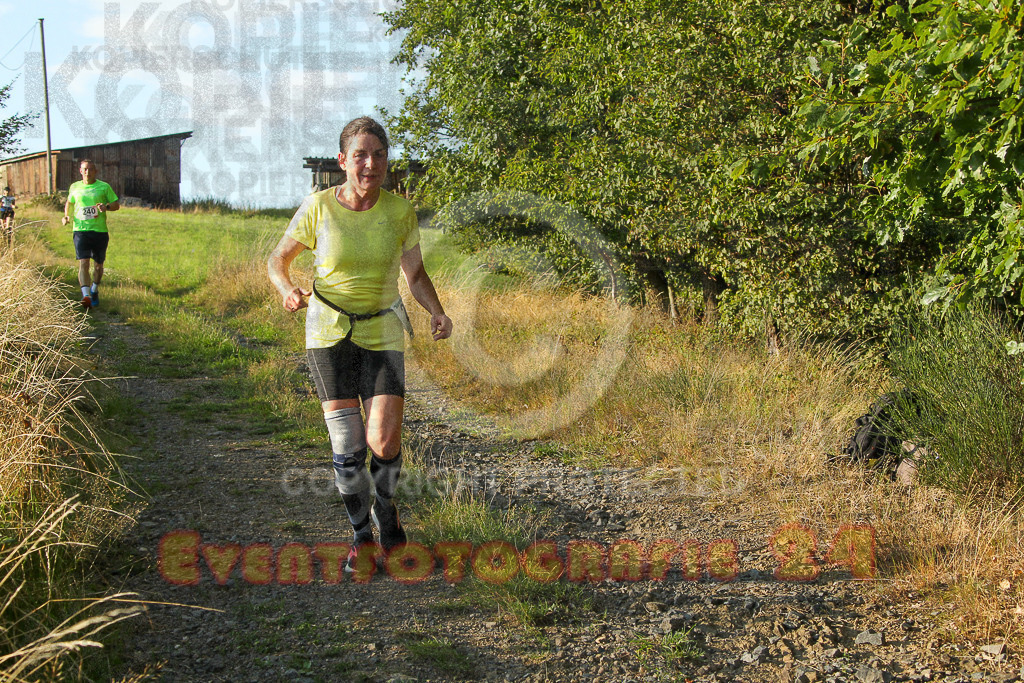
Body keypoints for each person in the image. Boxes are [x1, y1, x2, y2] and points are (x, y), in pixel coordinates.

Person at [268, 116, 452, 572]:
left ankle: (386, 510)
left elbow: (414, 273)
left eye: (379, 155)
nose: (371, 164)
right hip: (328, 332)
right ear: (342, 161)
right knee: (348, 445)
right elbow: (277, 259)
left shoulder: (399, 212)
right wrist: (287, 288)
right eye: (360, 156)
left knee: (384, 438)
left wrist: (436, 310)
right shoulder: (317, 207)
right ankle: (361, 538)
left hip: (383, 330)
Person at [62, 159, 119, 308]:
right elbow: (69, 202)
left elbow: (116, 205)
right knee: (84, 262)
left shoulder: (104, 187)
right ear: (80, 171)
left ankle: (94, 289)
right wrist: (66, 216)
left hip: (99, 231)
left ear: (96, 171)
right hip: (80, 230)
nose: (88, 172)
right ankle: (86, 295)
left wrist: (106, 207)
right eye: (85, 169)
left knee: (98, 266)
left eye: (91, 169)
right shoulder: (74, 187)